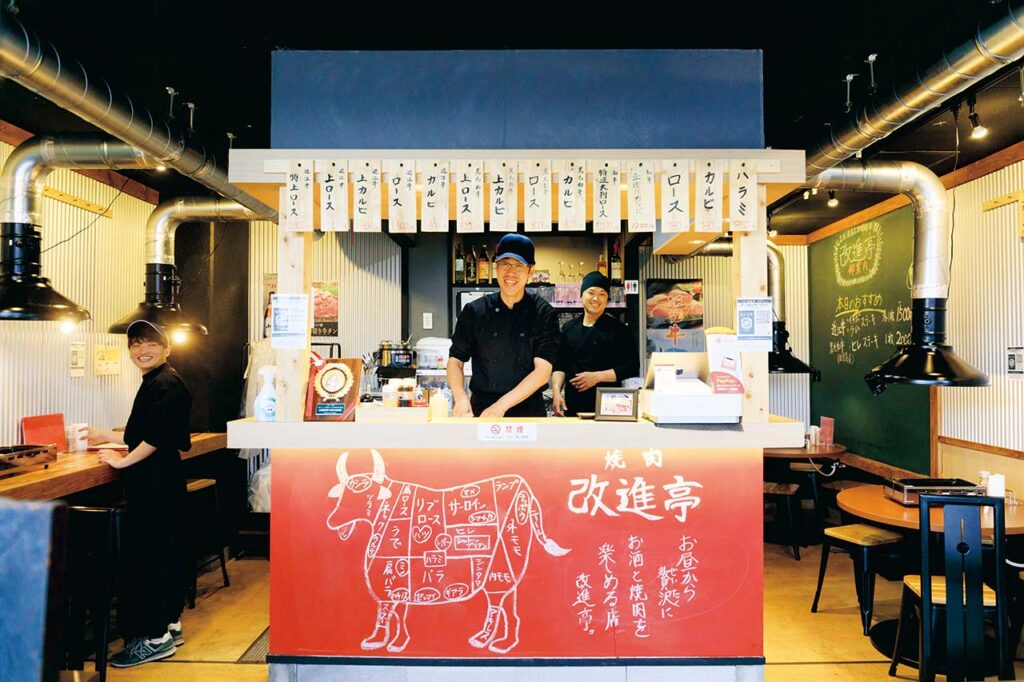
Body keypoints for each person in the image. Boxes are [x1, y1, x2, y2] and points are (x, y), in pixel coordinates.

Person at [81, 319, 192, 667]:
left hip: (156, 485)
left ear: (167, 349)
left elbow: (158, 437)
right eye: (135, 345)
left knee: (149, 557)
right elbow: (148, 432)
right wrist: (108, 437)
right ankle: (169, 626)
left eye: (150, 344)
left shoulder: (166, 383)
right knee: (163, 553)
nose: (142, 350)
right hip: (162, 483)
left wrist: (124, 461)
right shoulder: (158, 381)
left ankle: (154, 638)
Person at [447, 233, 559, 417]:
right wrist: (460, 398)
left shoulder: (543, 312)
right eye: (505, 264)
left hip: (528, 412)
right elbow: (455, 361)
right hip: (483, 410)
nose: (510, 273)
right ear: (496, 267)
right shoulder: (475, 311)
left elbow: (543, 370)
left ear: (530, 271)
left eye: (518, 266)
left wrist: (501, 406)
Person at [551, 271, 639, 417]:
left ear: (607, 299)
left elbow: (632, 367)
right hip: (573, 406)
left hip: (609, 406)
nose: (596, 298)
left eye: (602, 294)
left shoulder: (619, 330)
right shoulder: (569, 328)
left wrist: (597, 377)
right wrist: (556, 392)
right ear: (581, 296)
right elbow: (560, 365)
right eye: (591, 292)